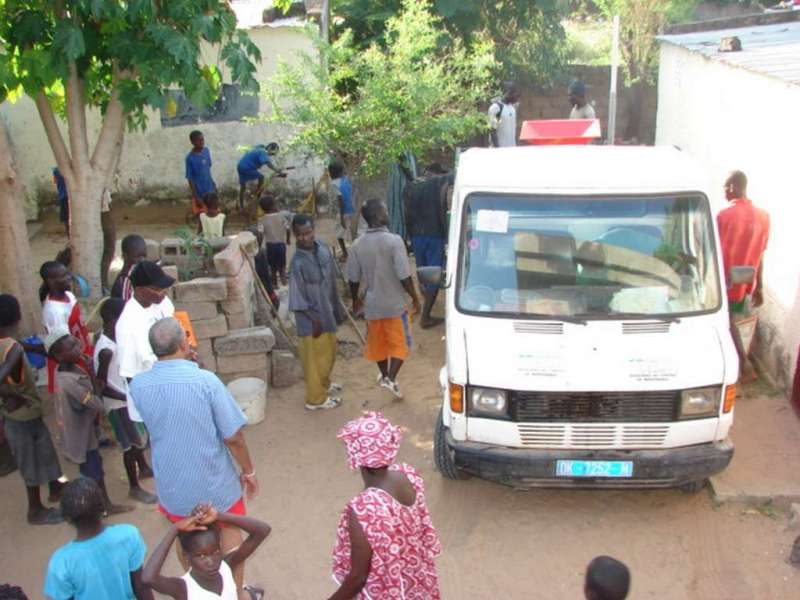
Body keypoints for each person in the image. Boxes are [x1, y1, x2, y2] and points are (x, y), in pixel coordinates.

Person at [129, 317, 259, 600]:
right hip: (216, 482)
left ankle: (199, 591)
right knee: (229, 532)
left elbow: (148, 420)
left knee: (185, 536)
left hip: (174, 485)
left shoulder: (138, 385)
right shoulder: (205, 381)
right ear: (182, 342)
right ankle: (236, 591)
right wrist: (248, 470)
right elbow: (233, 436)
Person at [330, 412, 441, 600]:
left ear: (356, 455)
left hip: (387, 590)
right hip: (414, 578)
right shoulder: (408, 475)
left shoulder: (363, 510)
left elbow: (358, 578)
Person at [46, 328, 132, 514]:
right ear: (59, 356)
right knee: (93, 471)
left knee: (93, 469)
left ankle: (97, 505)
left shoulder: (71, 369)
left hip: (83, 428)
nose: (78, 348)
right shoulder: (69, 381)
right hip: (81, 434)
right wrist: (93, 373)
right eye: (71, 347)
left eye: (75, 343)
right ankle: (101, 506)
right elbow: (97, 403)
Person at [0, 294, 65, 525]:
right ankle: (35, 510)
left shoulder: (9, 344)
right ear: (17, 318)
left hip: (27, 412)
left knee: (44, 450)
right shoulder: (13, 349)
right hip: (21, 414)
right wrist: (12, 395)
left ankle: (56, 486)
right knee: (30, 460)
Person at [347, 199, 421, 399]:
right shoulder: (394, 241)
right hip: (395, 304)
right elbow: (403, 274)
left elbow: (353, 278)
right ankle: (390, 378)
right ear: (378, 216)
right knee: (401, 344)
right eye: (385, 210)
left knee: (378, 344)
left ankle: (385, 375)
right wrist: (415, 297)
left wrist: (355, 300)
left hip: (372, 305)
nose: (388, 213)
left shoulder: (357, 245)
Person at [43, 478, 150, 600]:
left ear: (67, 518)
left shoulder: (61, 562)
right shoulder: (129, 534)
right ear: (103, 508)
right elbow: (141, 586)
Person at [94, 298, 156, 504]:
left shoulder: (114, 340)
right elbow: (101, 385)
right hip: (119, 404)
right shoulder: (106, 350)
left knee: (138, 440)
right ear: (113, 321)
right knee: (131, 445)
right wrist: (128, 397)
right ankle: (134, 486)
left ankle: (144, 468)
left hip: (125, 398)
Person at [142, 503, 270, 600]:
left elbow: (263, 530)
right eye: (201, 556)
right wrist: (175, 529)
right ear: (186, 556)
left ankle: (247, 592)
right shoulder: (183, 588)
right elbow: (148, 578)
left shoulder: (226, 565)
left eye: (215, 551)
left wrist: (219, 516)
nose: (211, 561)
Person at [289, 214, 345, 411]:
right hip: (311, 320)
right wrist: (313, 320)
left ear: (313, 230)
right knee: (314, 360)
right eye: (300, 235)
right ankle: (315, 399)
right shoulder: (297, 263)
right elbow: (297, 298)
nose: (305, 238)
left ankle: (325, 384)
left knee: (329, 352)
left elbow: (332, 279)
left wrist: (336, 307)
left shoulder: (322, 248)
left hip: (327, 310)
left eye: (308, 232)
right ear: (295, 235)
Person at [717, 170, 770, 378]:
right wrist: (760, 286)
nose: (724, 193)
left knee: (726, 323)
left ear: (731, 187)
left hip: (725, 279)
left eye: (724, 188)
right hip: (746, 278)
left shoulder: (725, 215)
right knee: (735, 320)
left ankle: (743, 364)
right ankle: (743, 363)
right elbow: (761, 254)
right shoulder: (764, 217)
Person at [115, 260, 176, 421]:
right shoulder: (128, 324)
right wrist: (149, 408)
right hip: (152, 392)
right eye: (158, 289)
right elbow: (130, 374)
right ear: (140, 290)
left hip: (172, 380)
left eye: (165, 288)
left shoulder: (163, 303)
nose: (164, 293)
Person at [404, 164, 453, 328]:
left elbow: (407, 213)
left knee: (423, 271)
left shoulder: (411, 185)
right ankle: (426, 317)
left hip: (417, 235)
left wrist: (409, 237)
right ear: (437, 173)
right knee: (434, 275)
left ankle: (427, 303)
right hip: (434, 234)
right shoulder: (437, 182)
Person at [40, 260, 93, 393]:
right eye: (64, 276)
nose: (69, 277)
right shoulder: (53, 311)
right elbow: (62, 347)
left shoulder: (69, 295)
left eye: (67, 273)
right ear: (51, 281)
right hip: (73, 360)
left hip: (82, 351)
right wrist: (81, 357)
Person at [237, 142, 285, 214]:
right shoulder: (263, 152)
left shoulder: (259, 148)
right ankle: (258, 194)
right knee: (261, 177)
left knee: (243, 187)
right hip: (247, 168)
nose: (270, 155)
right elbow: (268, 163)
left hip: (240, 166)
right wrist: (278, 171)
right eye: (271, 153)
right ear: (269, 148)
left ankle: (242, 207)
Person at [258, 193, 291, 287]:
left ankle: (275, 285)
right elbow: (288, 229)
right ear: (273, 206)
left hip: (270, 247)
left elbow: (260, 234)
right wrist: (288, 240)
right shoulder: (281, 217)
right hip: (281, 245)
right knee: (282, 267)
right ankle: (284, 284)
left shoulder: (262, 219)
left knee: (272, 268)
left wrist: (259, 246)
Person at [328, 159, 356, 260]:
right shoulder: (347, 179)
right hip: (351, 210)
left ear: (331, 173)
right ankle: (355, 252)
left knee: (339, 234)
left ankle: (346, 254)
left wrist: (341, 217)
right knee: (351, 232)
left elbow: (340, 200)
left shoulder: (334, 184)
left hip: (342, 212)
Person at [186, 130, 216, 213]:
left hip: (210, 189)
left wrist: (213, 182)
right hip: (200, 192)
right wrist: (196, 197)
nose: (202, 142)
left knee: (213, 212)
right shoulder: (190, 158)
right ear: (192, 142)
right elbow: (190, 178)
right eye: (199, 140)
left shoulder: (206, 151)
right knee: (203, 215)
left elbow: (208, 168)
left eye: (202, 140)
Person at [111, 234, 148, 301]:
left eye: (144, 256)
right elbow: (126, 307)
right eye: (137, 257)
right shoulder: (126, 280)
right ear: (125, 256)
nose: (142, 260)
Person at [488, 81, 520, 148]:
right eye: (515, 94)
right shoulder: (498, 108)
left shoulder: (512, 108)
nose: (517, 97)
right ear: (507, 93)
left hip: (512, 150)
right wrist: (498, 150)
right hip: (501, 152)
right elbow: (493, 130)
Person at [101, 187, 116, 294]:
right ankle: (102, 283)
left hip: (104, 210)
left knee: (109, 249)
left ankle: (103, 282)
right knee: (107, 249)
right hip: (99, 213)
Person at [53, 167, 69, 236]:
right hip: (72, 198)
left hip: (64, 197)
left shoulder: (56, 170)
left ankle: (70, 238)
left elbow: (55, 181)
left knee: (67, 221)